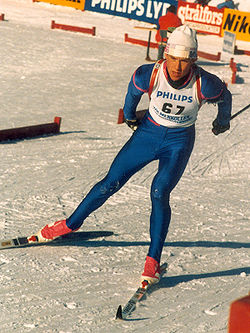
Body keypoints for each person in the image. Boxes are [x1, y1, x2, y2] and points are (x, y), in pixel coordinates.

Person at [28, 25, 232, 285]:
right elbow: (132, 91)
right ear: (165, 55)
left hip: (178, 143)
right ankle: (69, 224)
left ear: (193, 60)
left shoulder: (206, 83)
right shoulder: (149, 74)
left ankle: (153, 261)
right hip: (148, 135)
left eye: (184, 61)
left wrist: (222, 121)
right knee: (108, 184)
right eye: (173, 59)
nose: (178, 67)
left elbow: (225, 97)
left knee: (159, 192)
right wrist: (128, 114)